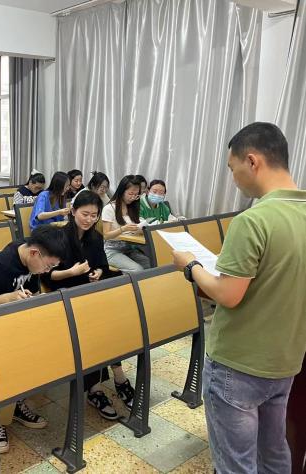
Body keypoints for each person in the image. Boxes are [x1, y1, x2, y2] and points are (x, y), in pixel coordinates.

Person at [172, 122, 306, 473]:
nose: (233, 179)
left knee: (236, 463)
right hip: (286, 360)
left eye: (232, 169)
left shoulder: (253, 220)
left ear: (252, 161)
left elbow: (227, 294)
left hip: (239, 364)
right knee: (274, 452)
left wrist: (191, 266)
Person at [0, 225, 67, 454]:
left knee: (41, 348)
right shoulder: (1, 267)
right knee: (7, 360)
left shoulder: (29, 259)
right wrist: (8, 298)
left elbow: (33, 291)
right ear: (35, 253)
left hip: (3, 325)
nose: (47, 271)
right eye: (48, 266)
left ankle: (12, 404)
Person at [41, 190, 133, 419]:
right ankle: (96, 388)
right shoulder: (59, 237)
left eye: (94, 215)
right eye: (85, 214)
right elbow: (45, 276)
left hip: (88, 294)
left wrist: (98, 271)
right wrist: (71, 272)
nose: (89, 219)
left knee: (111, 323)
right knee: (93, 328)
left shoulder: (96, 237)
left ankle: (117, 375)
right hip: (64, 297)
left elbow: (102, 264)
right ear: (73, 211)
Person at [102, 176, 150, 272]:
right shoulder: (109, 208)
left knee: (151, 264)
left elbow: (135, 228)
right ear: (122, 191)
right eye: (130, 194)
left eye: (136, 195)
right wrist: (123, 229)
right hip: (112, 250)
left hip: (129, 248)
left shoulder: (132, 207)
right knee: (137, 270)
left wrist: (140, 229)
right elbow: (106, 235)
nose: (133, 197)